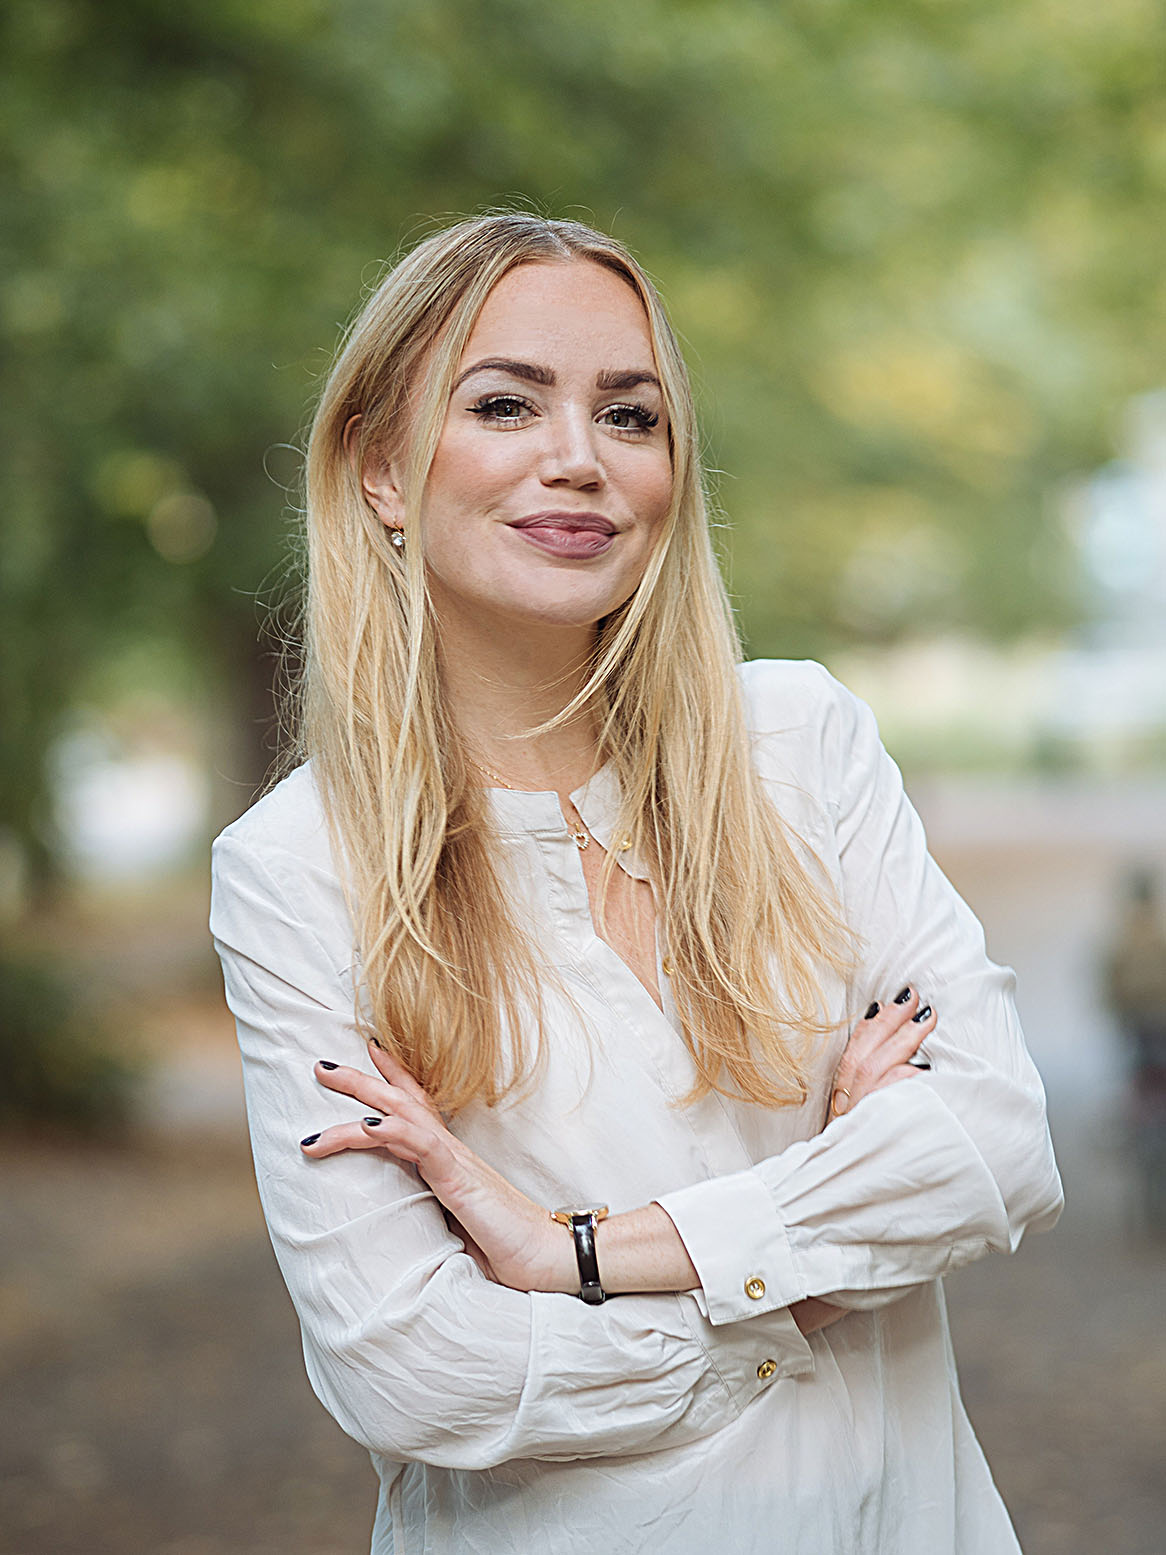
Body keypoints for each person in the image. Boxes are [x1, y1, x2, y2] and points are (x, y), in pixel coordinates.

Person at [209, 211, 1064, 1555]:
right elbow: (417, 1369)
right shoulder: (298, 866)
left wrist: (578, 1257)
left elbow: (995, 1141)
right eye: (502, 404)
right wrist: (807, 1282)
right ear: (381, 468)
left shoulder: (801, 744)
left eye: (630, 415)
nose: (578, 461)